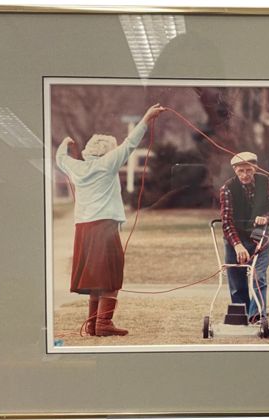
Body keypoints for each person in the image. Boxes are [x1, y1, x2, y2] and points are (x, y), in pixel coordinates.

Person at [55, 104, 165, 337]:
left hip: (83, 229)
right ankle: (104, 324)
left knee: (96, 277)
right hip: (104, 227)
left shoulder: (76, 167)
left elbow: (60, 159)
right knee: (111, 275)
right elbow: (130, 143)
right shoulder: (108, 164)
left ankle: (94, 324)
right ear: (107, 151)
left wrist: (65, 142)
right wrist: (146, 117)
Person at [220, 152, 269, 323]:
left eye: (248, 170)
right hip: (235, 239)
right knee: (236, 278)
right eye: (241, 171)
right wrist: (238, 245)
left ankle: (257, 317)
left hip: (260, 238)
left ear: (255, 168)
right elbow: (226, 222)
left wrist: (266, 218)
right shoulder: (227, 189)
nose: (245, 175)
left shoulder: (264, 182)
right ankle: (241, 317)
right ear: (235, 170)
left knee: (258, 276)